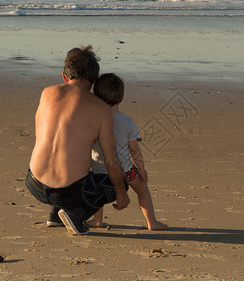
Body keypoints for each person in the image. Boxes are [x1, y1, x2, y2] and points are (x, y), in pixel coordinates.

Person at [25, 46, 130, 235]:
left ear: (64, 76)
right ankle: (76, 213)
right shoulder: (101, 109)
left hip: (34, 183)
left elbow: (39, 134)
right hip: (68, 192)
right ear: (94, 80)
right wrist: (121, 194)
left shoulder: (47, 93)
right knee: (115, 183)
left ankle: (55, 215)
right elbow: (111, 161)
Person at [86, 73, 168, 231]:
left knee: (98, 194)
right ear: (121, 97)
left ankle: (97, 220)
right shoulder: (126, 121)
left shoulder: (93, 119)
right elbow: (134, 150)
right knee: (142, 189)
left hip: (99, 170)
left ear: (97, 96)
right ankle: (152, 221)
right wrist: (142, 170)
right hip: (125, 170)